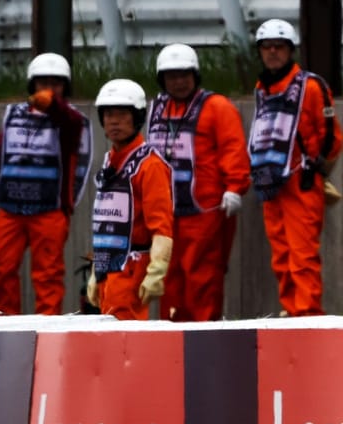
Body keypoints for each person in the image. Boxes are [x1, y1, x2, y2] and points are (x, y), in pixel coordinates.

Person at [0, 53, 91, 315]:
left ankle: (47, 334)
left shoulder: (70, 119)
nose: (49, 88)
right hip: (11, 210)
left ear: (65, 87)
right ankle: (5, 326)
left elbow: (72, 124)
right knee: (0, 268)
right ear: (32, 85)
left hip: (49, 211)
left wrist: (53, 105)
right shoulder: (13, 114)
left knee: (47, 277)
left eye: (56, 83)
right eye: (42, 83)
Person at [144, 43, 250, 321]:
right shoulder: (155, 109)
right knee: (170, 280)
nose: (179, 82)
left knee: (202, 278)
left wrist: (235, 188)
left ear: (195, 75)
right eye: (172, 76)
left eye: (184, 75)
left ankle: (204, 340)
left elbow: (232, 148)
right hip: (166, 214)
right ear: (162, 79)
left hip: (205, 212)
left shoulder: (217, 107)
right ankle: (173, 341)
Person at [248, 18, 334, 316]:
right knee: (281, 257)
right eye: (267, 47)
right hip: (271, 184)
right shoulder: (263, 88)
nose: (273, 53)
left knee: (302, 255)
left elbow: (332, 137)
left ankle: (307, 315)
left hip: (301, 182)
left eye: (279, 47)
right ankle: (291, 311)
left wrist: (318, 170)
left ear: (290, 50)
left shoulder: (310, 86)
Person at [87, 79, 175, 321]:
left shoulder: (150, 165)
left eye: (122, 115)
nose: (114, 121)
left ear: (137, 118)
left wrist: (157, 269)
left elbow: (162, 225)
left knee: (122, 340)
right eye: (108, 114)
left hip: (132, 267)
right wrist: (97, 269)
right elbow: (106, 222)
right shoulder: (109, 161)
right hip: (109, 266)